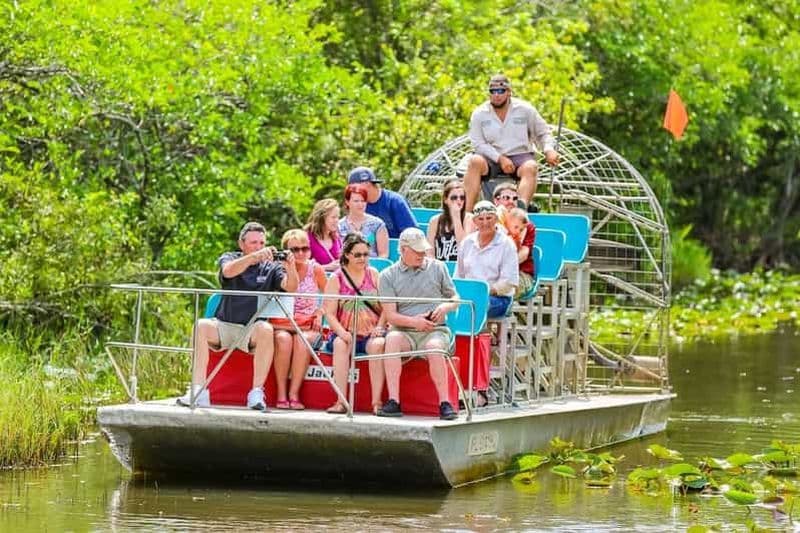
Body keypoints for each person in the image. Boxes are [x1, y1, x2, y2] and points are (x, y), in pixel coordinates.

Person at [178, 221, 299, 410]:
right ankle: (198, 390)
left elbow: (290, 287)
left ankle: (257, 393)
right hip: (224, 324)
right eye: (253, 243)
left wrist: (291, 267)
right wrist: (252, 258)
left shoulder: (271, 267)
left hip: (251, 330)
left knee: (267, 329)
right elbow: (228, 271)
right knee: (200, 325)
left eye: (261, 243)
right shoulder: (230, 258)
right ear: (241, 244)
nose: (258, 247)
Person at [377, 228, 460, 420]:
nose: (422, 254)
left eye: (423, 250)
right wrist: (415, 322)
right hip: (404, 330)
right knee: (392, 340)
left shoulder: (438, 267)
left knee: (434, 347)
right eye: (417, 251)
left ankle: (445, 403)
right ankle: (393, 401)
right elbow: (390, 316)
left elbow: (455, 298)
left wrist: (445, 308)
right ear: (404, 250)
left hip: (435, 330)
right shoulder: (387, 275)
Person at [463, 74, 560, 212]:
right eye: (493, 91)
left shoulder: (526, 109)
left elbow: (543, 133)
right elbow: (478, 143)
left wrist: (549, 149)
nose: (496, 95)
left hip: (520, 155)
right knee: (474, 161)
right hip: (491, 157)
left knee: (531, 166)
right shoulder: (479, 113)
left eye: (501, 91)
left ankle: (519, 210)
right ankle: (467, 213)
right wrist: (500, 158)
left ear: (509, 92)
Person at [322, 233, 386, 414]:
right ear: (347, 255)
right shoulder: (336, 278)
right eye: (358, 255)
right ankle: (341, 401)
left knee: (378, 345)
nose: (362, 259)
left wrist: (380, 327)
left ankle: (376, 402)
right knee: (339, 345)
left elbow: (386, 308)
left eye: (366, 254)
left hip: (371, 331)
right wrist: (342, 332)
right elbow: (330, 313)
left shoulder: (374, 275)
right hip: (346, 330)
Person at [271, 229, 327, 410]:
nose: (301, 253)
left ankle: (294, 393)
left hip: (307, 324)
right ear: (286, 251)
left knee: (302, 341)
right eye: (295, 250)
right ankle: (281, 393)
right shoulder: (277, 269)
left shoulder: (315, 269)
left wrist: (320, 312)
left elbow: (330, 296)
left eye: (305, 248)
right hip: (284, 322)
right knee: (283, 340)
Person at [457, 201, 519, 318]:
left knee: (476, 306)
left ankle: (474, 335)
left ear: (496, 219)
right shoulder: (467, 242)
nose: (485, 223)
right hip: (469, 295)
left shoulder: (507, 244)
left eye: (489, 218)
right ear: (475, 222)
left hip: (499, 298)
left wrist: (483, 291)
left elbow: (509, 282)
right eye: (480, 219)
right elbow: (459, 275)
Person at [347, 166, 416, 238]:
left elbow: (412, 234)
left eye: (354, 188)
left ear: (367, 184)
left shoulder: (395, 201)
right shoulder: (359, 205)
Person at [494, 183, 536, 298]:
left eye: (515, 198)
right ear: (496, 201)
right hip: (493, 273)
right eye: (506, 198)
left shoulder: (526, 225)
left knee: (500, 290)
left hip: (520, 274)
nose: (511, 201)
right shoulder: (488, 222)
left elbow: (523, 255)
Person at [426, 179, 474, 261]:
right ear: (445, 200)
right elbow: (429, 252)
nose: (458, 200)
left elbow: (464, 247)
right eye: (454, 197)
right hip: (439, 268)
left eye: (462, 198)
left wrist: (456, 216)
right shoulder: (435, 221)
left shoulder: (469, 219)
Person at [338, 183, 389, 258]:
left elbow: (383, 255)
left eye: (363, 201)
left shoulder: (378, 224)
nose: (360, 204)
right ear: (347, 202)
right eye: (356, 201)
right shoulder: (339, 226)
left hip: (372, 266)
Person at [306, 198, 342, 272]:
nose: (337, 220)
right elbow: (301, 266)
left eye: (338, 217)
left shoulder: (336, 238)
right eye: (333, 217)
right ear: (321, 218)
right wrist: (326, 267)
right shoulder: (307, 238)